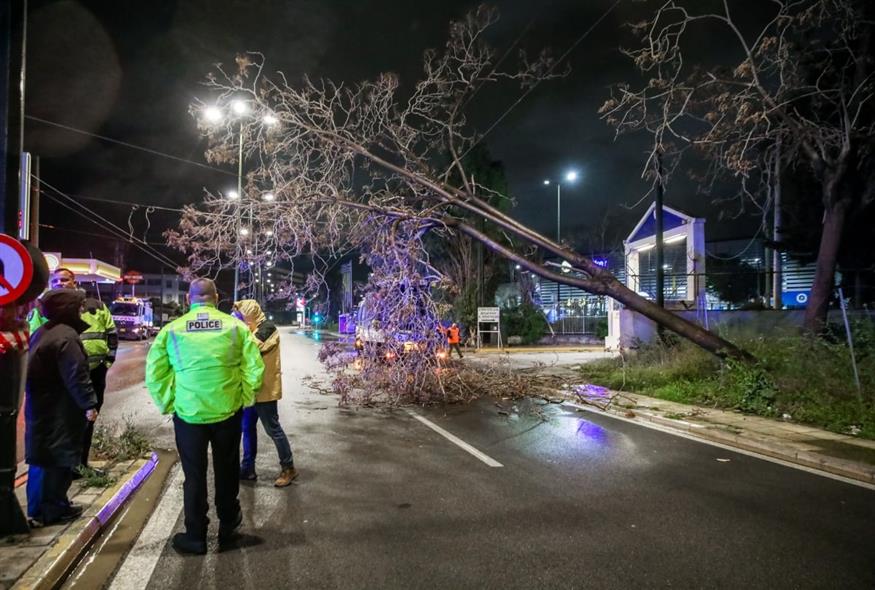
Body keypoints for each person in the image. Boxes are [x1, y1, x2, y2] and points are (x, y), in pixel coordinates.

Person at [146, 278, 264, 555]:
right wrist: (244, 398)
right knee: (227, 471)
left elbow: (155, 374)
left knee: (194, 476)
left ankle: (196, 535)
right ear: (217, 297)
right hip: (227, 413)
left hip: (189, 416)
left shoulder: (172, 330)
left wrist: (170, 403)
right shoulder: (236, 327)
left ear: (189, 299)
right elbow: (254, 369)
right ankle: (228, 528)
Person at [28, 268, 118, 475]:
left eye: (65, 279)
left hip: (93, 373)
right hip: (63, 377)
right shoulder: (43, 308)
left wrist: (107, 363)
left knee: (87, 421)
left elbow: (111, 334)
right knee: (64, 422)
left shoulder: (96, 306)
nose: (60, 283)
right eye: (56, 280)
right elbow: (34, 340)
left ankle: (79, 464)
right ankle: (65, 468)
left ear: (74, 281)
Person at [25, 289, 99, 527]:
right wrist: (89, 404)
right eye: (78, 305)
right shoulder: (66, 337)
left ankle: (39, 508)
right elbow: (76, 375)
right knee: (58, 458)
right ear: (68, 309)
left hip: (41, 407)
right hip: (58, 409)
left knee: (42, 458)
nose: (82, 310)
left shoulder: (43, 332)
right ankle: (54, 509)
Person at [232, 300, 297, 487]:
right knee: (247, 429)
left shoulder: (268, 329)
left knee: (273, 429)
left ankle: (289, 468)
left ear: (250, 314)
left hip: (266, 389)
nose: (241, 320)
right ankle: (248, 469)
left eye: (243, 317)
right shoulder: (251, 328)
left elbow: (251, 347)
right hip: (251, 389)